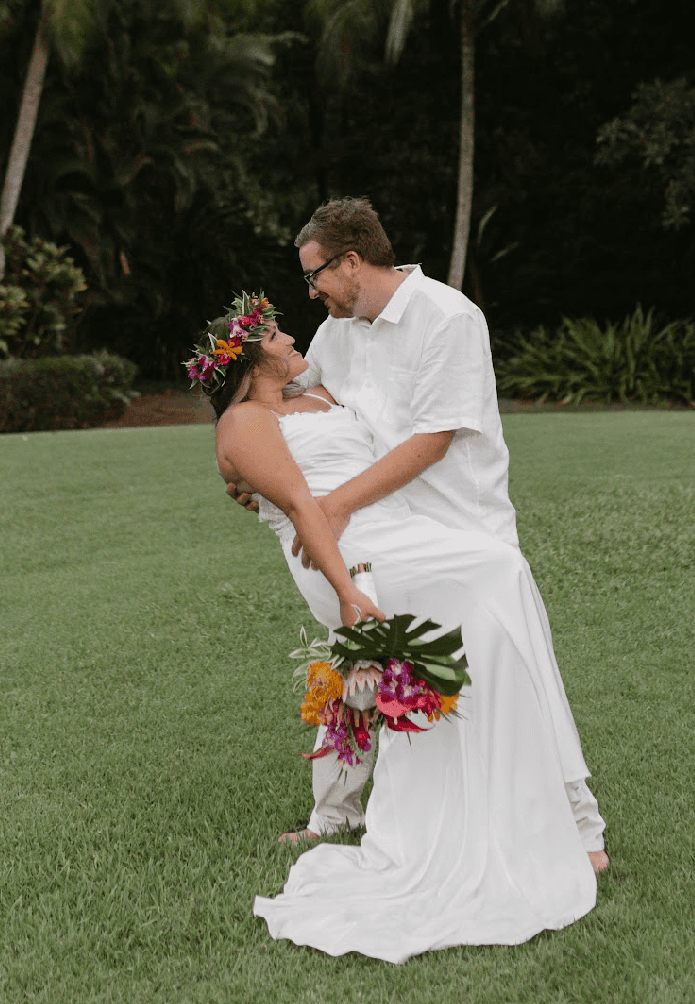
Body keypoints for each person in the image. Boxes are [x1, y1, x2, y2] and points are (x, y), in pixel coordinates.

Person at [193, 292, 598, 963]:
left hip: (388, 529)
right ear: (252, 359)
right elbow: (301, 506)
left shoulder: (315, 391)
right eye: (276, 335)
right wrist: (348, 592)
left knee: (392, 655)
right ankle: (539, 808)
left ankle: (364, 807)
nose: (292, 337)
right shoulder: (244, 422)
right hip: (336, 553)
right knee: (493, 574)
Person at [227, 198, 607, 871]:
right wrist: (250, 481)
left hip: (461, 525)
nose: (310, 292)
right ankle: (337, 813)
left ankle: (577, 823)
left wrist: (331, 507)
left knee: (504, 664)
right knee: (360, 652)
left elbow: (433, 441)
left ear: (352, 261)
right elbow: (274, 406)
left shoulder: (447, 317)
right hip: (376, 534)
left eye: (315, 275)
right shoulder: (332, 335)